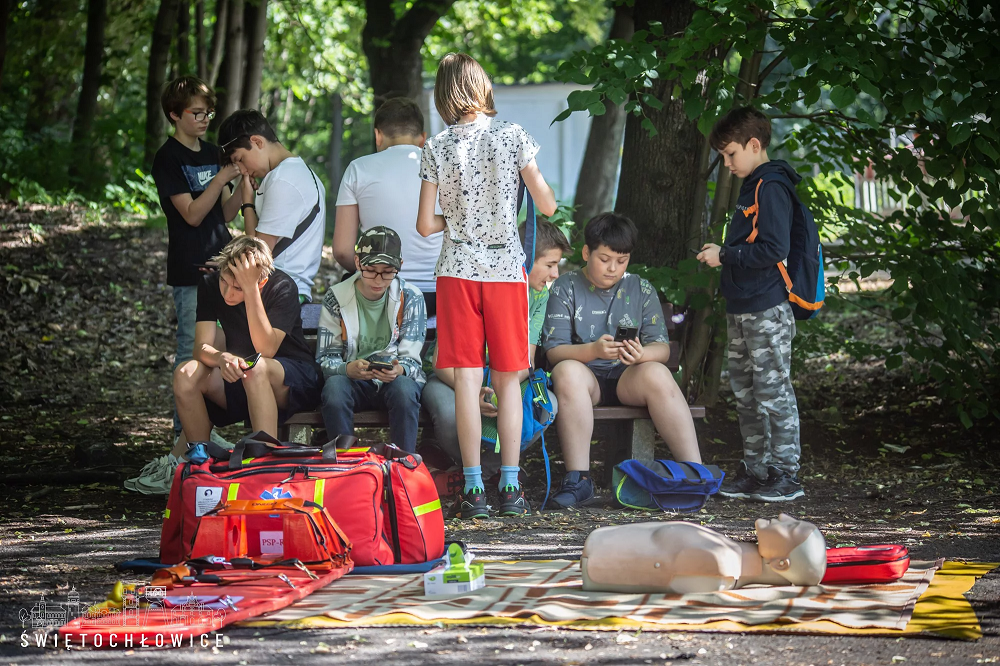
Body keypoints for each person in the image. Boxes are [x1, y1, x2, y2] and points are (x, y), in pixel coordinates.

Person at [417, 52, 557, 518]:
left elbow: (425, 224)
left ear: (444, 96)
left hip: (456, 270)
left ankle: (474, 489)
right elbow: (548, 206)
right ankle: (511, 487)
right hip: (505, 272)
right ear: (483, 88)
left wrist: (460, 221)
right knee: (508, 378)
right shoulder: (513, 135)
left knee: (466, 378)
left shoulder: (436, 146)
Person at [543, 212, 702, 510]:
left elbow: (661, 348)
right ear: (586, 253)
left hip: (629, 378)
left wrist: (642, 355)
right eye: (604, 259)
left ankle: (696, 475)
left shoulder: (640, 288)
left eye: (622, 260)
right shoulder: (566, 287)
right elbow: (555, 351)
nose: (613, 268)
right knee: (566, 372)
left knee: (657, 372)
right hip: (586, 379)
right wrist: (593, 350)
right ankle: (579, 480)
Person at [697, 106, 804, 502]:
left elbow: (775, 248)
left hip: (766, 307)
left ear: (754, 145)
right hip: (741, 306)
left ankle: (785, 474)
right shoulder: (751, 184)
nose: (726, 164)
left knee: (773, 393)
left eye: (730, 154)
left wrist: (725, 255)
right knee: (746, 394)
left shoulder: (771, 186)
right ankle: (757, 471)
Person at [421, 220, 569, 485]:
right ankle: (472, 472)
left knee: (547, 406)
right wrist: (473, 392)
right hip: (450, 378)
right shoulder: (473, 283)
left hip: (504, 378)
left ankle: (484, 473)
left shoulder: (538, 296)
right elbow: (440, 364)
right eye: (550, 265)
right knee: (450, 413)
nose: (555, 273)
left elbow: (526, 360)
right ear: (524, 259)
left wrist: (500, 391)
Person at [148, 76, 241, 446]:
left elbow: (225, 213)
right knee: (192, 349)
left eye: (208, 114)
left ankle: (205, 432)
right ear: (175, 114)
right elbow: (191, 214)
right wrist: (220, 179)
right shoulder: (168, 158)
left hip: (224, 266)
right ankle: (184, 437)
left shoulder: (213, 152)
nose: (204, 120)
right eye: (197, 113)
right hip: (190, 268)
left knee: (221, 346)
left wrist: (243, 183)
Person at [316, 226, 427, 453]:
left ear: (399, 266)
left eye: (387, 272)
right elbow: (326, 358)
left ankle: (402, 461)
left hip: (395, 381)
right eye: (370, 270)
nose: (378, 279)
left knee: (405, 390)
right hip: (353, 380)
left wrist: (399, 370)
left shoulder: (411, 297)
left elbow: (413, 362)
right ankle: (345, 462)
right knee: (335, 389)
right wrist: (347, 369)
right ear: (358, 262)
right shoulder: (337, 297)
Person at [332, 97, 444, 316]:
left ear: (378, 135)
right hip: (438, 295)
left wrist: (375, 274)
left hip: (382, 295)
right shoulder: (443, 168)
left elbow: (343, 251)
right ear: (423, 138)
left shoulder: (358, 169)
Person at [217, 110, 326, 302]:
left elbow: (256, 255)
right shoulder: (301, 172)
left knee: (208, 289)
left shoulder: (284, 180)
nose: (242, 170)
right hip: (288, 288)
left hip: (277, 293)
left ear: (257, 142)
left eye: (240, 159)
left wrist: (248, 203)